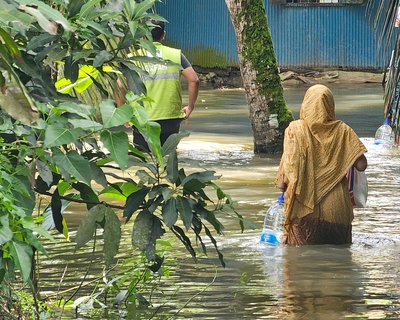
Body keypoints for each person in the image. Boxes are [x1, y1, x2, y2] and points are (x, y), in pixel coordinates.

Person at [275, 84, 367, 246]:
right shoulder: (343, 130)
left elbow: (284, 182)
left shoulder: (295, 130)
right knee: (340, 263)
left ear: (306, 104)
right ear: (330, 106)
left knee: (300, 267)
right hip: (338, 210)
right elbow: (361, 165)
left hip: (303, 212)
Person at [132, 20, 200, 150]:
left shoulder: (133, 57)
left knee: (143, 160)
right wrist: (190, 106)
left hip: (143, 119)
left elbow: (120, 85)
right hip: (171, 119)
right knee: (168, 158)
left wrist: (124, 113)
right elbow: (194, 80)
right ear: (163, 35)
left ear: (144, 36)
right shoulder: (176, 55)